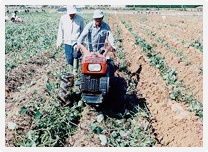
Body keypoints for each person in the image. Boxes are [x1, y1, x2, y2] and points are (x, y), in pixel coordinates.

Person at [57, 5, 85, 75]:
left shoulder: (80, 19)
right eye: (70, 14)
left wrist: (82, 43)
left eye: (73, 14)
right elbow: (60, 31)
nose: (72, 15)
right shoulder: (63, 18)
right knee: (69, 58)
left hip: (76, 42)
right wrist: (59, 42)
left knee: (76, 55)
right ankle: (71, 72)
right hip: (67, 42)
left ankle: (75, 72)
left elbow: (83, 32)